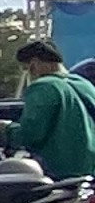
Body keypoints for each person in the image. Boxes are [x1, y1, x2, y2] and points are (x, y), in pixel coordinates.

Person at [10, 39, 95, 179]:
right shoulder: (85, 85)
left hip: (61, 172)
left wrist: (7, 130)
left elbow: (31, 134)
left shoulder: (43, 86)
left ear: (34, 64)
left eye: (25, 69)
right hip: (90, 171)